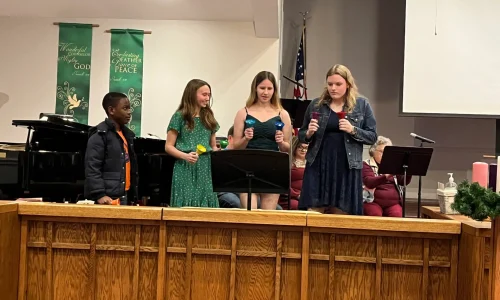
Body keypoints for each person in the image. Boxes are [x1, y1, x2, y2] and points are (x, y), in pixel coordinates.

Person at [298, 64, 377, 215]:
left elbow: (372, 136)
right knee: (313, 212)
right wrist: (308, 133)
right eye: (330, 84)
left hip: (346, 166)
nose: (333, 88)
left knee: (341, 215)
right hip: (318, 164)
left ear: (348, 84)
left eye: (338, 84)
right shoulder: (316, 105)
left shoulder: (361, 105)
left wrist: (353, 130)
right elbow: (302, 134)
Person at [232, 71, 292, 210]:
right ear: (255, 89)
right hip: (247, 167)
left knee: (268, 217)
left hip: (272, 167)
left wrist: (281, 142)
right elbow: (236, 146)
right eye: (262, 88)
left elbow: (286, 148)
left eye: (269, 88)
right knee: (249, 214)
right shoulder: (243, 113)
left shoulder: (282, 114)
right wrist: (245, 139)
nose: (265, 92)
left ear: (274, 90)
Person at [165, 79, 220, 207]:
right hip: (185, 166)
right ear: (192, 94)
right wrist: (185, 156)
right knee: (185, 202)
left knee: (205, 203)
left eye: (209, 95)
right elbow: (168, 146)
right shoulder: (179, 117)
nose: (207, 98)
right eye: (204, 94)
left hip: (205, 167)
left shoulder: (209, 117)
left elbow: (212, 146)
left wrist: (217, 152)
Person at [84, 92, 138, 205]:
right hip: (108, 198)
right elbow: (92, 167)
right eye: (125, 108)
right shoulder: (100, 135)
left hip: (124, 195)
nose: (129, 112)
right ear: (111, 110)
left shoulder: (128, 135)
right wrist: (100, 194)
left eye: (129, 108)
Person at [217, 126, 282, 210]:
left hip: (243, 190)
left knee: (278, 209)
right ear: (230, 138)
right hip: (226, 191)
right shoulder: (221, 156)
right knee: (237, 204)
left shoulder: (246, 158)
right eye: (241, 138)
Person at [363, 136, 411, 217]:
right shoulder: (366, 164)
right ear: (373, 151)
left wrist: (409, 171)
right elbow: (369, 182)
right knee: (375, 214)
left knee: (397, 216)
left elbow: (403, 182)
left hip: (393, 204)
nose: (386, 155)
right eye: (382, 152)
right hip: (372, 202)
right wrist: (386, 176)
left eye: (388, 153)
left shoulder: (394, 165)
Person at [278, 136, 307, 210]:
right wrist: (297, 195)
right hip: (290, 197)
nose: (303, 150)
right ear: (295, 147)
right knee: (297, 205)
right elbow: (282, 183)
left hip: (308, 196)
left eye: (306, 148)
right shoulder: (287, 162)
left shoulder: (312, 163)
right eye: (300, 147)